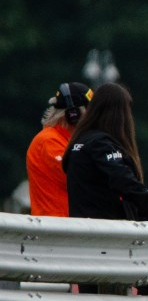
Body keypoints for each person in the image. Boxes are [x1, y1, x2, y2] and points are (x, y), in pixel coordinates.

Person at [62, 82, 148, 221]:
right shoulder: (99, 143)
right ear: (119, 114)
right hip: (102, 230)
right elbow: (123, 179)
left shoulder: (81, 140)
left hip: (85, 227)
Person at [25, 82, 93, 216]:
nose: (94, 117)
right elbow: (79, 177)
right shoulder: (48, 140)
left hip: (67, 227)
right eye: (90, 111)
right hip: (55, 229)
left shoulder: (69, 141)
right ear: (73, 115)